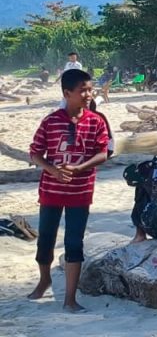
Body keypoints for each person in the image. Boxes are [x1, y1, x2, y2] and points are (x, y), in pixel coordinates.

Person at [27, 69, 110, 312]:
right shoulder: (51, 121)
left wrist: (79, 168)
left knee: (74, 242)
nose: (88, 94)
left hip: (80, 193)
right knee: (45, 239)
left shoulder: (96, 121)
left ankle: (70, 299)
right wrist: (52, 170)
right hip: (51, 191)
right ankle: (44, 280)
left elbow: (103, 153)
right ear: (67, 93)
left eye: (90, 89)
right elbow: (35, 152)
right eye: (82, 90)